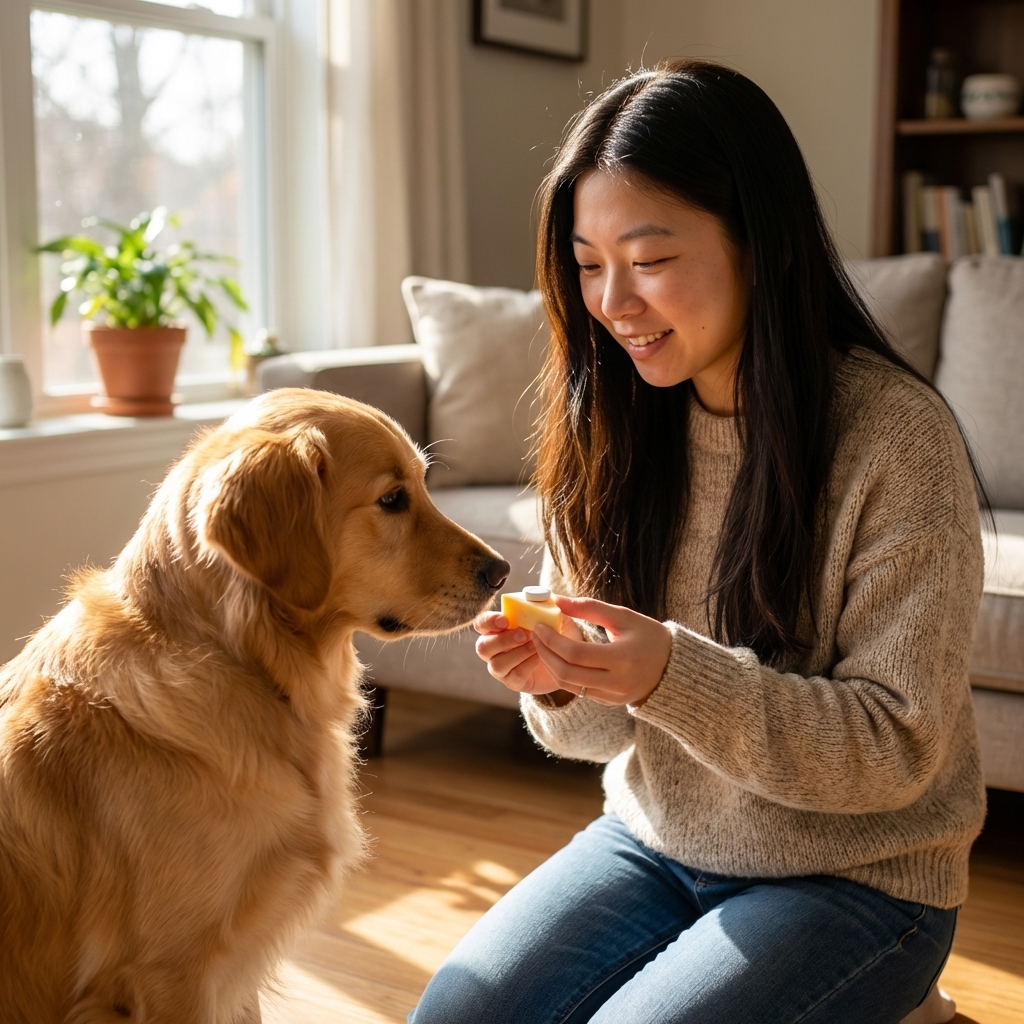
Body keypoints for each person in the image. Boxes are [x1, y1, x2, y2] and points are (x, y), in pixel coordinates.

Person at [410, 59, 986, 1024]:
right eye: (589, 265)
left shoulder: (896, 441)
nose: (614, 303)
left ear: (759, 244)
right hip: (655, 841)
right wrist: (558, 676)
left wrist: (664, 674)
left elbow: (895, 748)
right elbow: (597, 738)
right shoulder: (611, 430)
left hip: (862, 877)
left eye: (651, 258)